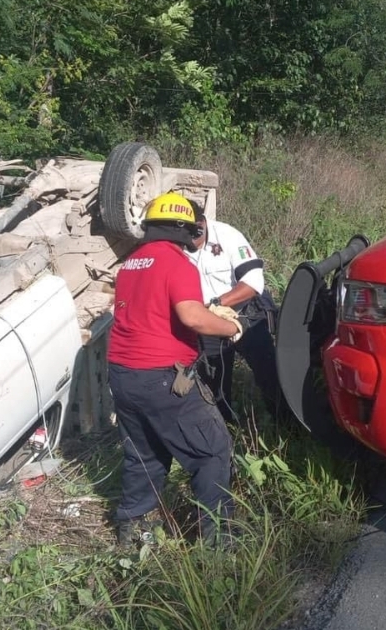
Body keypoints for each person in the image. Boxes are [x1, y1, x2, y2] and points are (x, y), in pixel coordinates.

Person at [106, 191, 249, 548]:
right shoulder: (176, 263)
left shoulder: (131, 264)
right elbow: (190, 316)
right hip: (162, 378)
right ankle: (217, 541)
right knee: (212, 450)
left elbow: (152, 312)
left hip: (123, 375)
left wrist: (202, 313)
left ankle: (132, 531)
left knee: (146, 453)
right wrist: (232, 327)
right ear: (185, 230)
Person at [184, 200, 288, 426]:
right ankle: (226, 432)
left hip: (244, 316)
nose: (190, 242)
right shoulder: (176, 244)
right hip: (207, 324)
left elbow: (252, 283)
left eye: (194, 235)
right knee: (214, 384)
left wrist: (216, 303)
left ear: (202, 223)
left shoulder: (228, 236)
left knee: (268, 374)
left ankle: (286, 428)